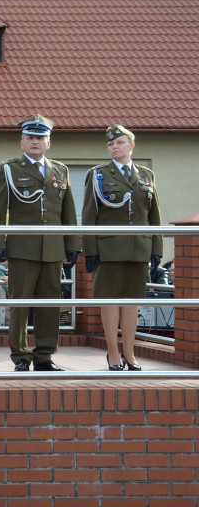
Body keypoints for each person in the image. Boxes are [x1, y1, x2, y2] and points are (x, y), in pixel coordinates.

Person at [0, 115, 78, 372]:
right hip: (22, 249)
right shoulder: (8, 169)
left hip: (52, 250)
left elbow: (68, 213)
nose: (35, 142)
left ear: (48, 143)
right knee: (20, 304)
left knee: (49, 305)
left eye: (40, 138)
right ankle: (20, 356)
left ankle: (45, 356)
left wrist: (71, 244)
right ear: (22, 142)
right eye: (30, 138)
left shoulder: (60, 170)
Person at [82, 125, 162, 371]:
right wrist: (91, 251)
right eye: (110, 144)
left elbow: (154, 216)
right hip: (109, 249)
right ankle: (113, 352)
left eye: (119, 143)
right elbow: (88, 215)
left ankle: (130, 351)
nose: (114, 147)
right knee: (109, 301)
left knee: (132, 302)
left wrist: (156, 248)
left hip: (139, 249)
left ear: (131, 146)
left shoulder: (146, 175)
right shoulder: (98, 174)